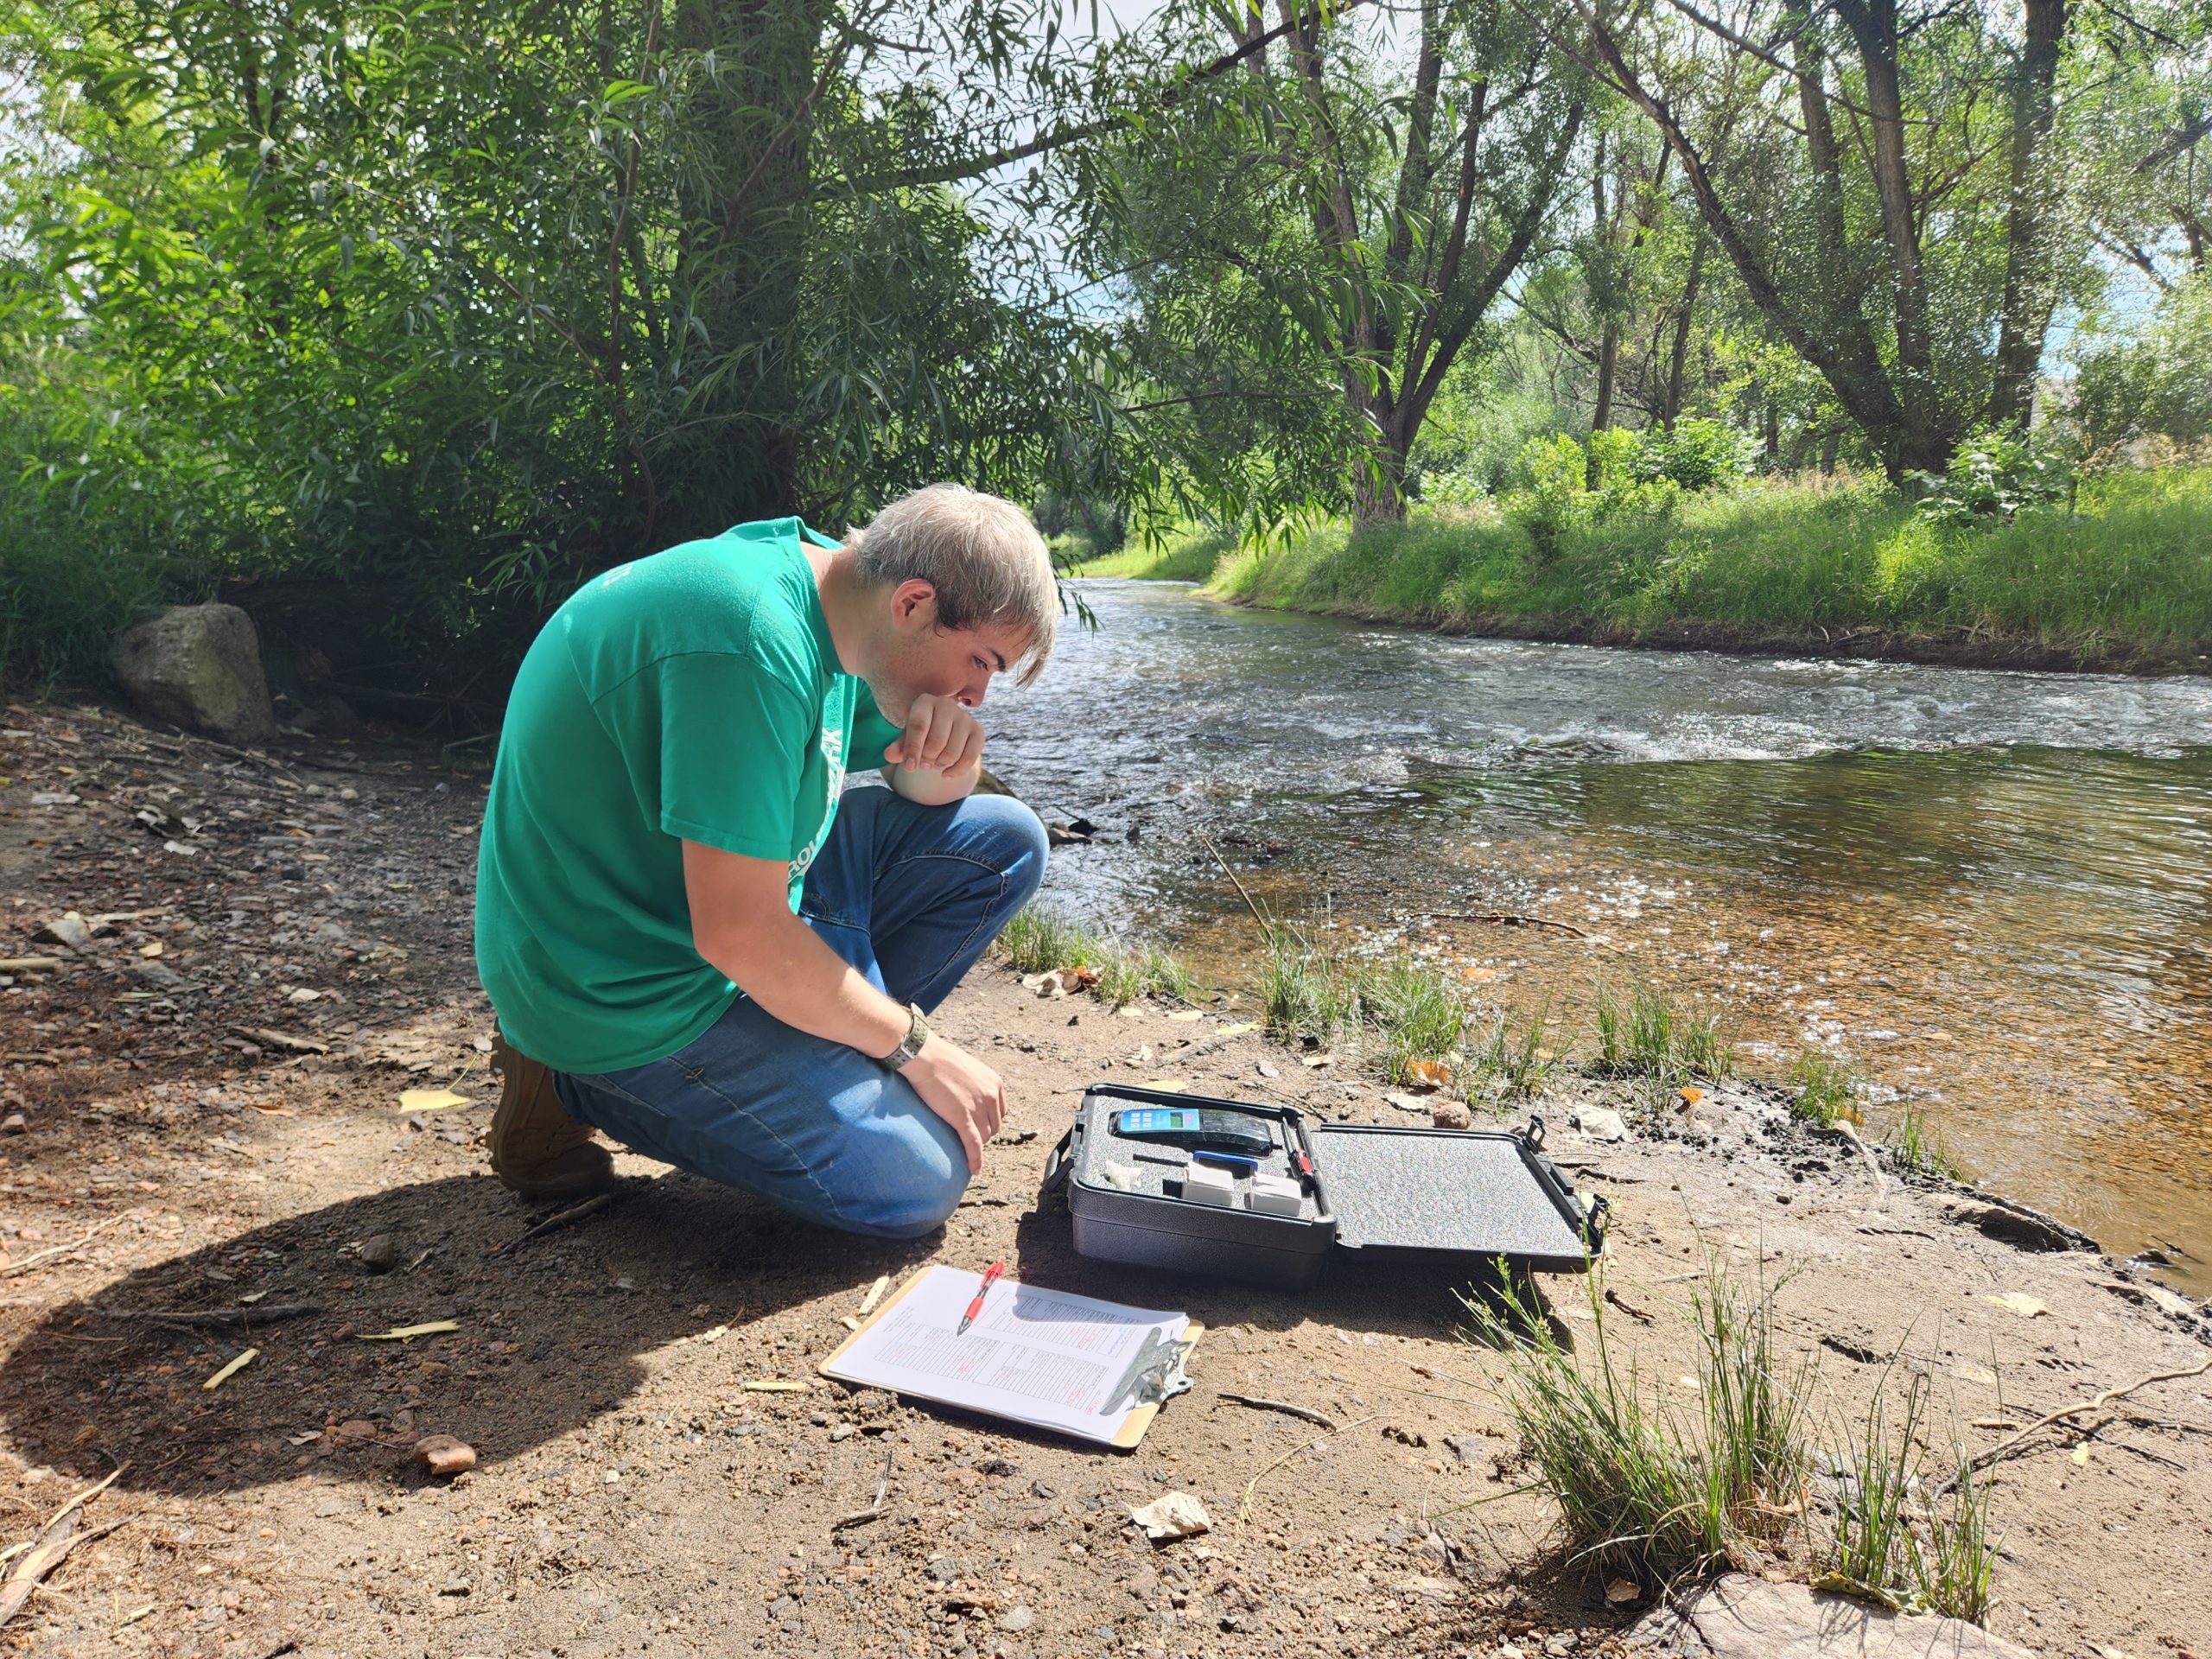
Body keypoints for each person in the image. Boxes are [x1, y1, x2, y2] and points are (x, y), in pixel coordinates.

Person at [473, 484, 1055, 1239]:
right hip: (612, 987)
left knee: (1004, 839)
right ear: (913, 603)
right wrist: (917, 1047)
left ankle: (815, 1052)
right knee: (915, 1177)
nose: (977, 692)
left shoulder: (840, 596)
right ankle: (567, 1082)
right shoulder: (748, 642)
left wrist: (949, 748)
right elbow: (739, 935)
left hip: (682, 905)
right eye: (980, 660)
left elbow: (915, 782)